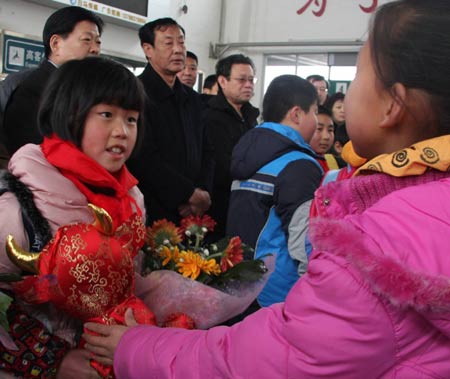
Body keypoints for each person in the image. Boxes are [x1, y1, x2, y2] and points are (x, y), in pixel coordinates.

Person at [83, 1, 450, 378]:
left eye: (357, 74)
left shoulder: (372, 250)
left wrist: (137, 346)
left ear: (393, 105)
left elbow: (267, 358)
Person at [0, 56, 146, 379]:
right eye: (107, 115)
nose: (122, 131)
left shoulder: (131, 202)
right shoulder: (20, 207)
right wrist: (52, 360)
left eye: (132, 119)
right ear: (69, 114)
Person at [226, 75, 322, 308]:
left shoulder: (248, 152)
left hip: (238, 287)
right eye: (315, 112)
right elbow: (305, 239)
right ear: (297, 114)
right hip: (279, 296)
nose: (317, 121)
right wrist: (316, 292)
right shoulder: (298, 164)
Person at [127, 17, 214, 225]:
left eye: (181, 42)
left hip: (192, 212)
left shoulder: (191, 98)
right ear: (148, 49)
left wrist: (201, 193)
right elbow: (142, 156)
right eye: (168, 43)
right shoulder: (135, 93)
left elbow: (207, 151)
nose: (178, 50)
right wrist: (185, 193)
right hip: (152, 209)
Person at [3, 6, 103, 156]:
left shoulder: (87, 89)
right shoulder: (32, 88)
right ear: (56, 44)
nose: (95, 49)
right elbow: (31, 151)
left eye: (98, 42)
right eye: (87, 40)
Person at [203, 54, 260, 239]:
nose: (248, 85)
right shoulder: (211, 116)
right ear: (222, 81)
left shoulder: (251, 115)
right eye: (241, 79)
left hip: (247, 202)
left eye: (251, 80)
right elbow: (220, 164)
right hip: (220, 203)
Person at [309, 105, 339, 172]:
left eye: (330, 130)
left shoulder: (332, 161)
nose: (326, 137)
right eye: (319, 129)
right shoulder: (298, 162)